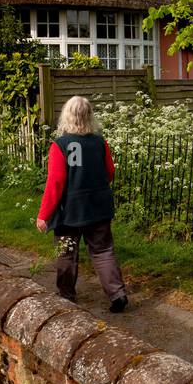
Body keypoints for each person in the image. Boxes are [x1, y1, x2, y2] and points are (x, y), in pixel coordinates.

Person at [36, 95, 128, 313]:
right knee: (103, 251)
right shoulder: (99, 142)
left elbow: (56, 182)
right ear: (89, 116)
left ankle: (66, 295)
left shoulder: (60, 145)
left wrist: (44, 214)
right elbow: (110, 173)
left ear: (66, 116)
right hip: (98, 207)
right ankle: (118, 294)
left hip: (71, 211)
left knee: (66, 252)